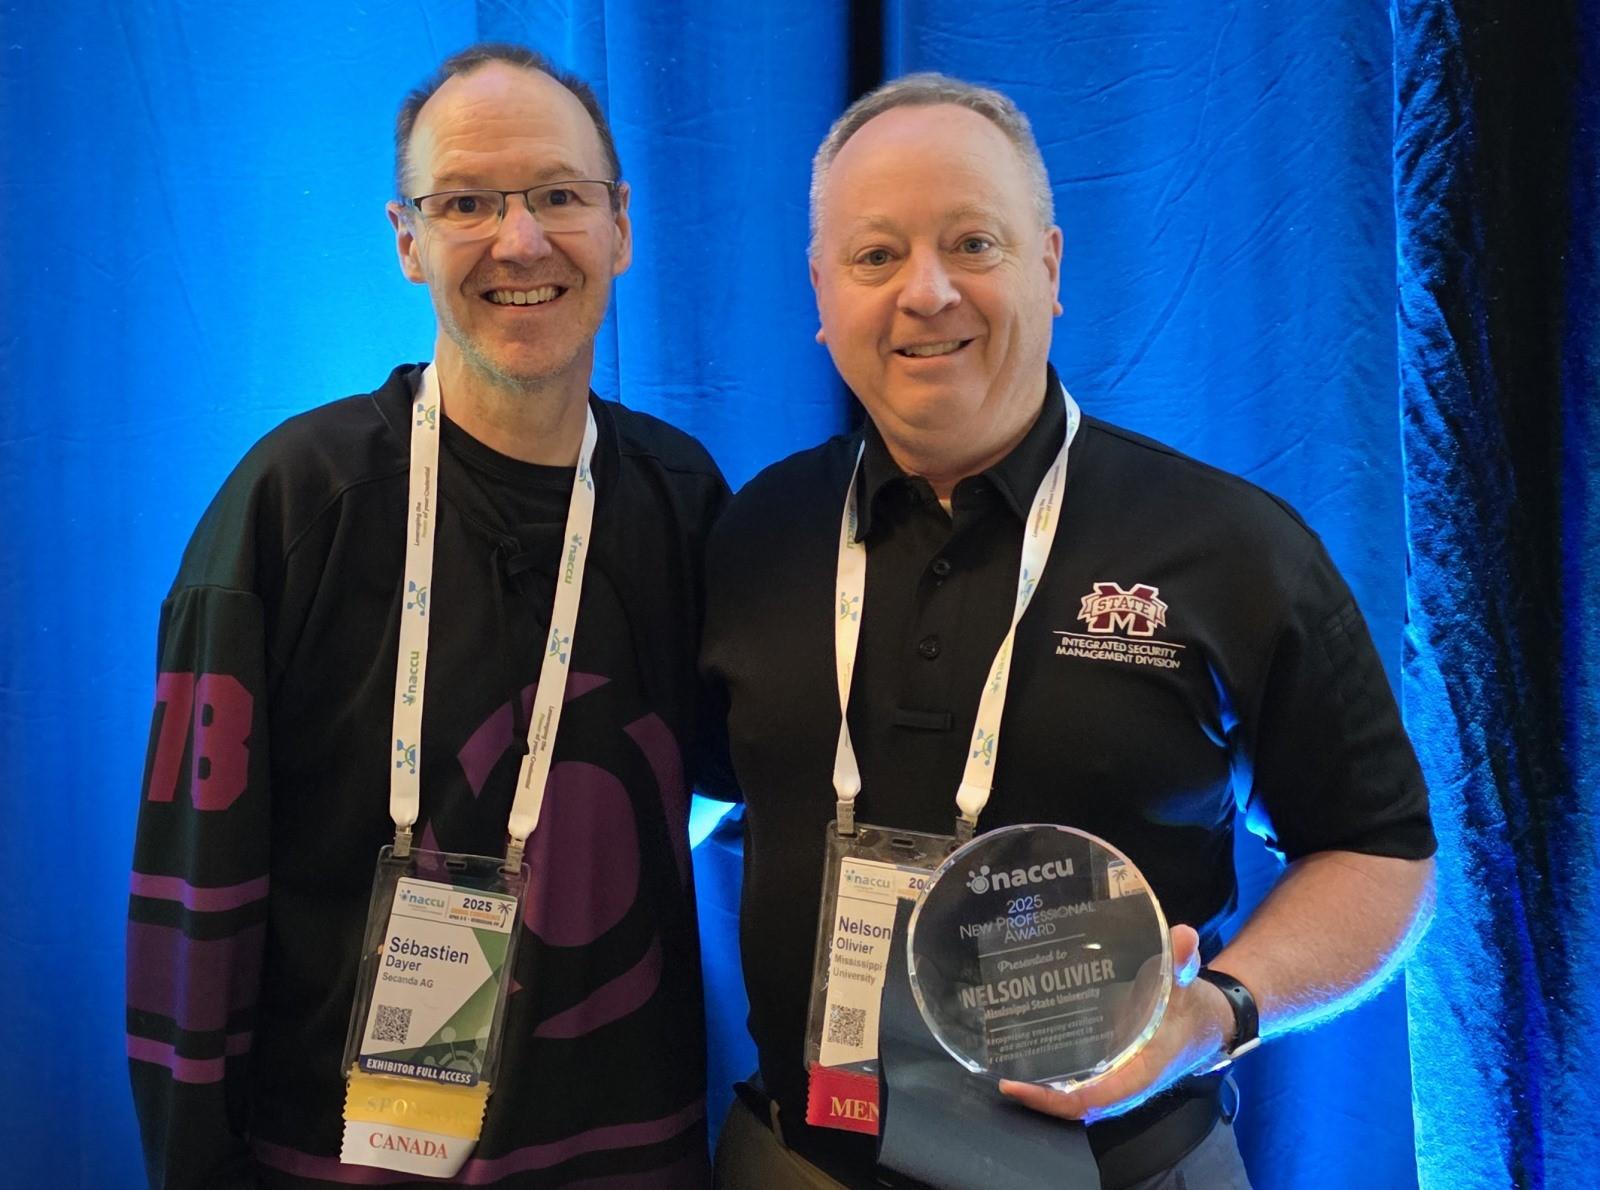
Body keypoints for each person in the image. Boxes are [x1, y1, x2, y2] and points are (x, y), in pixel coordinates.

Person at [700, 74, 1436, 1189]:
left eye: (972, 242)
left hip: (1121, 1168)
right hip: (796, 1157)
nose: (926, 291)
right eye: (875, 256)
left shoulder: (1224, 543)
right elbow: (700, 782)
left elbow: (1379, 850)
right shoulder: (757, 532)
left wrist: (1220, 1007)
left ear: (1048, 266)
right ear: (820, 291)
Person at [127, 43, 725, 1189]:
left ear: (620, 227)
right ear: (406, 239)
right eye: (467, 202)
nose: (521, 240)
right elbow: (190, 897)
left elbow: (791, 787)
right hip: (338, 1159)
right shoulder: (297, 506)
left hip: (631, 1157)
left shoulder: (681, 501)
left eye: (559, 194)